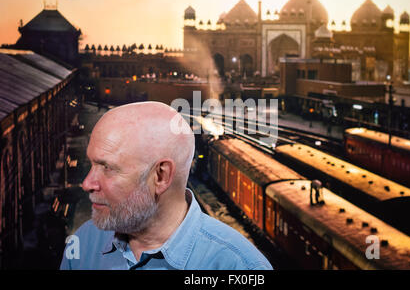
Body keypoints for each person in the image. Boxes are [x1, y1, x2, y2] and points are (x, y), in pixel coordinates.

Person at [60, 101, 272, 270]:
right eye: (92, 164)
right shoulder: (83, 243)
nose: (87, 183)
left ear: (161, 176)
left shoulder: (239, 266)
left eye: (107, 168)